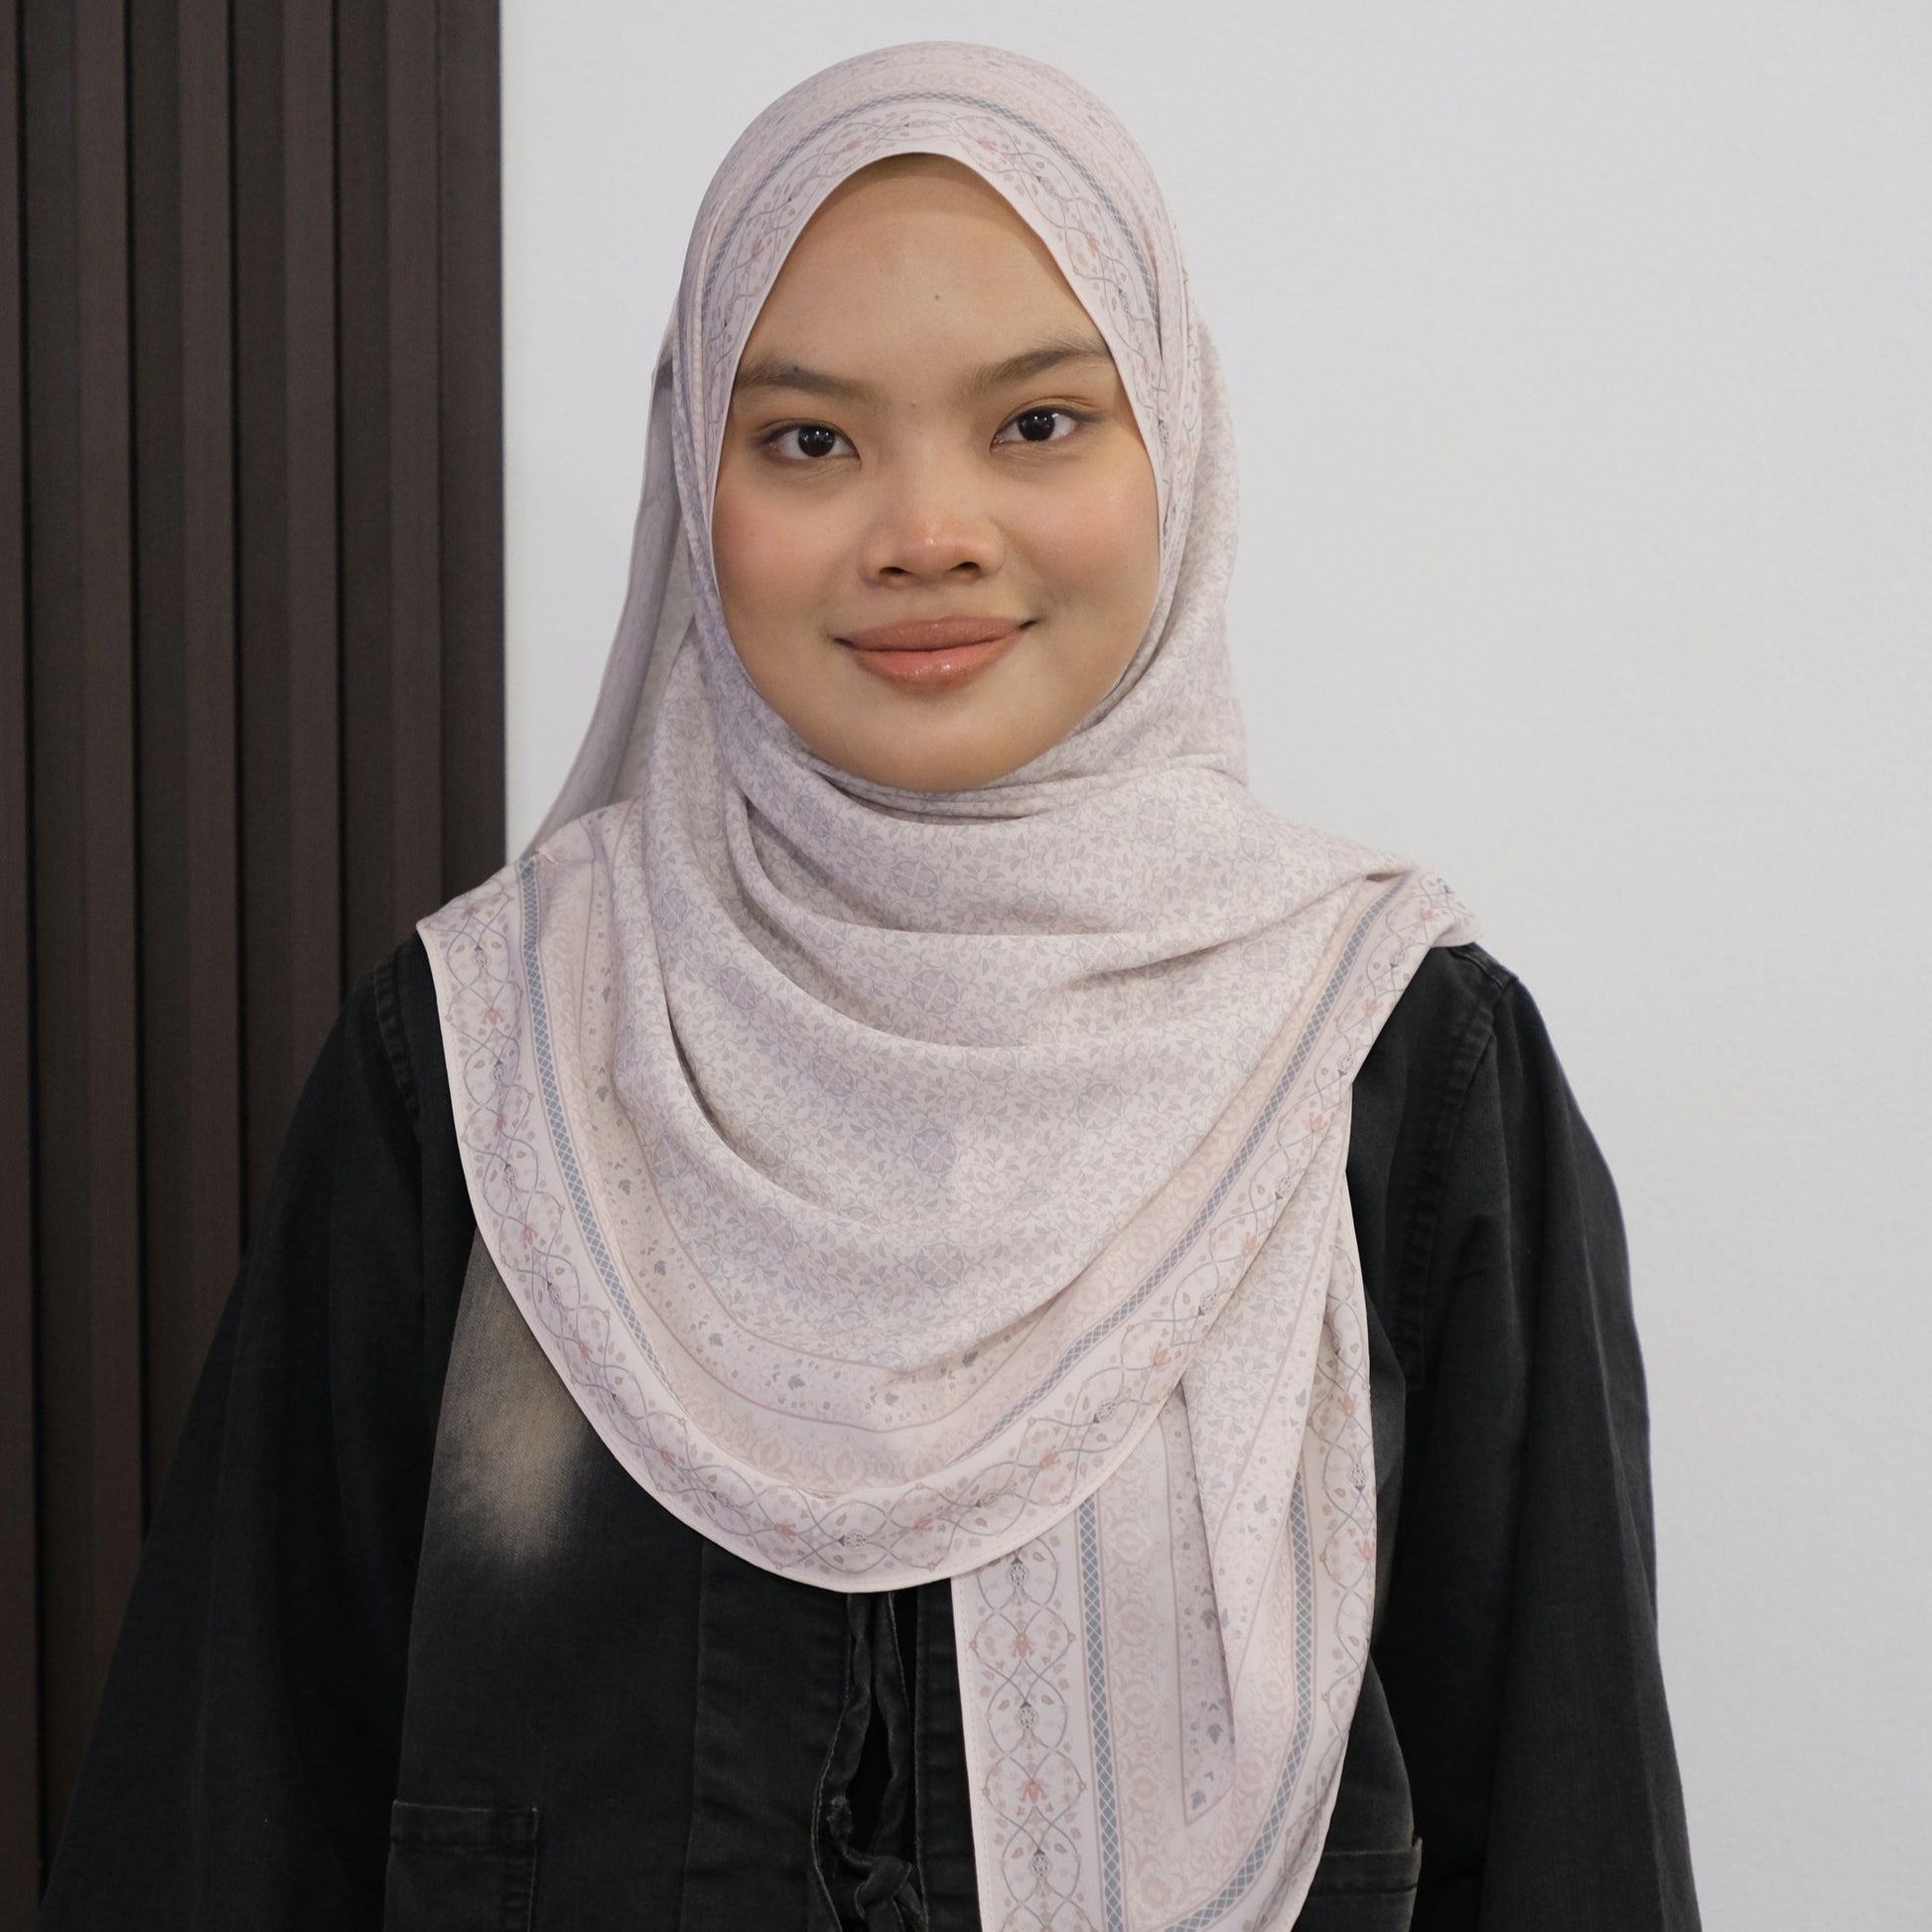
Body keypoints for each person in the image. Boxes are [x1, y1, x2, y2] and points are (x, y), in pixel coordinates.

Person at [41, 42, 1698, 1932]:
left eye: (1037, 423)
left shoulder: (1392, 1066)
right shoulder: (489, 1069)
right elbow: (230, 1828)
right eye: (809, 441)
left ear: (1174, 443)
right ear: (696, 476)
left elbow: (1562, 1842)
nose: (927, 530)